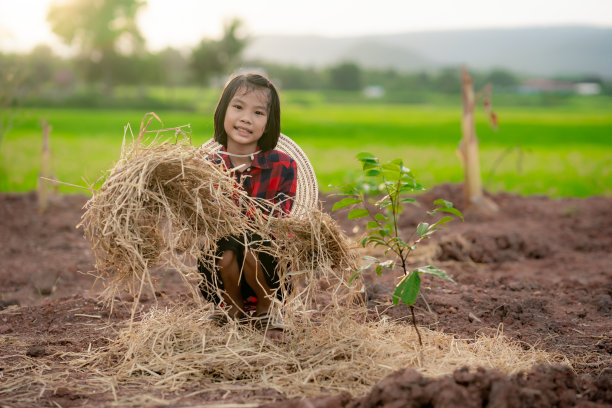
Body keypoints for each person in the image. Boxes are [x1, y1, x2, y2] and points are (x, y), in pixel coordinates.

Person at [198, 73, 297, 338]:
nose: (246, 118)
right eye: (238, 107)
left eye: (258, 112)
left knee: (252, 245)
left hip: (266, 255)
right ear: (224, 111)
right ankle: (231, 306)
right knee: (226, 249)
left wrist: (245, 216)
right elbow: (201, 221)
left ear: (269, 123)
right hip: (222, 254)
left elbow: (280, 218)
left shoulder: (284, 165)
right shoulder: (206, 168)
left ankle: (267, 307)